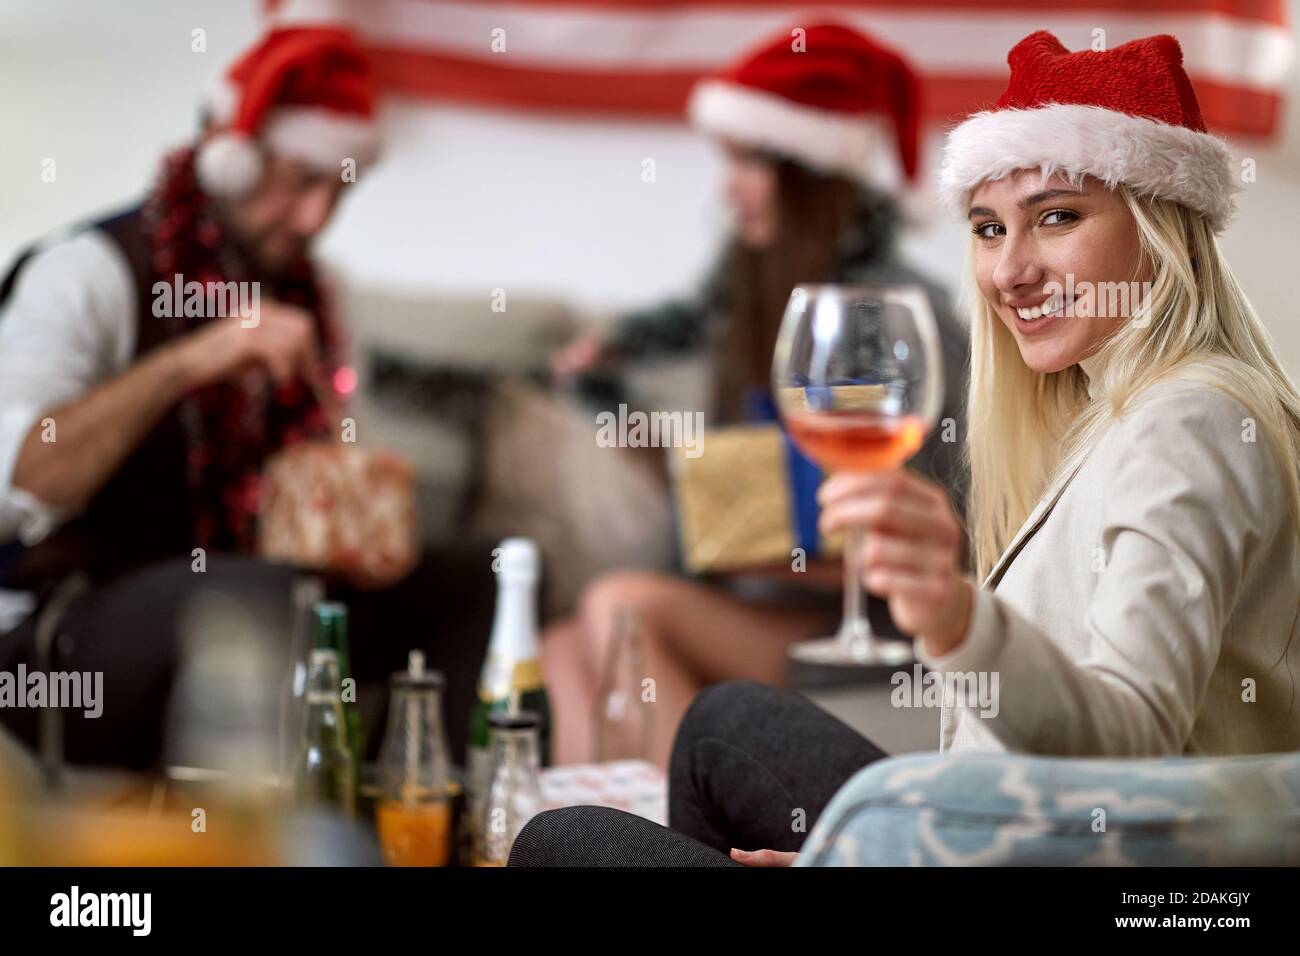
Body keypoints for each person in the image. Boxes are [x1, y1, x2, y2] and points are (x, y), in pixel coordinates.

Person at [510, 30, 1300, 866]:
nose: (1009, 272)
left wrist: (956, 614)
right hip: (997, 822)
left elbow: (1128, 760)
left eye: (1057, 217)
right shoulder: (1117, 405)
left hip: (1055, 851)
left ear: (1163, 222)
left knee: (563, 841)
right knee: (721, 723)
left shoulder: (1189, 422)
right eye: (990, 230)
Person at [0, 25, 493, 770]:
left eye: (340, 189)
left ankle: (449, 822)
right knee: (253, 597)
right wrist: (193, 359)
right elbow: (26, 478)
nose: (316, 219)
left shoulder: (317, 298)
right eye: (298, 181)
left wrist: (362, 525)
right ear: (227, 157)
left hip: (260, 586)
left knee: (468, 574)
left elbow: (317, 482)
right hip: (60, 636)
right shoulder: (86, 273)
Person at [542, 23, 971, 768]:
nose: (725, 187)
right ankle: (606, 844)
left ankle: (713, 829)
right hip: (770, 607)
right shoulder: (759, 307)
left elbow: (939, 536)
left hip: (864, 617)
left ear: (806, 173)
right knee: (559, 646)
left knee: (620, 609)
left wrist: (756, 550)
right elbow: (743, 504)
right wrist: (627, 422)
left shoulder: (891, 317)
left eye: (746, 162)